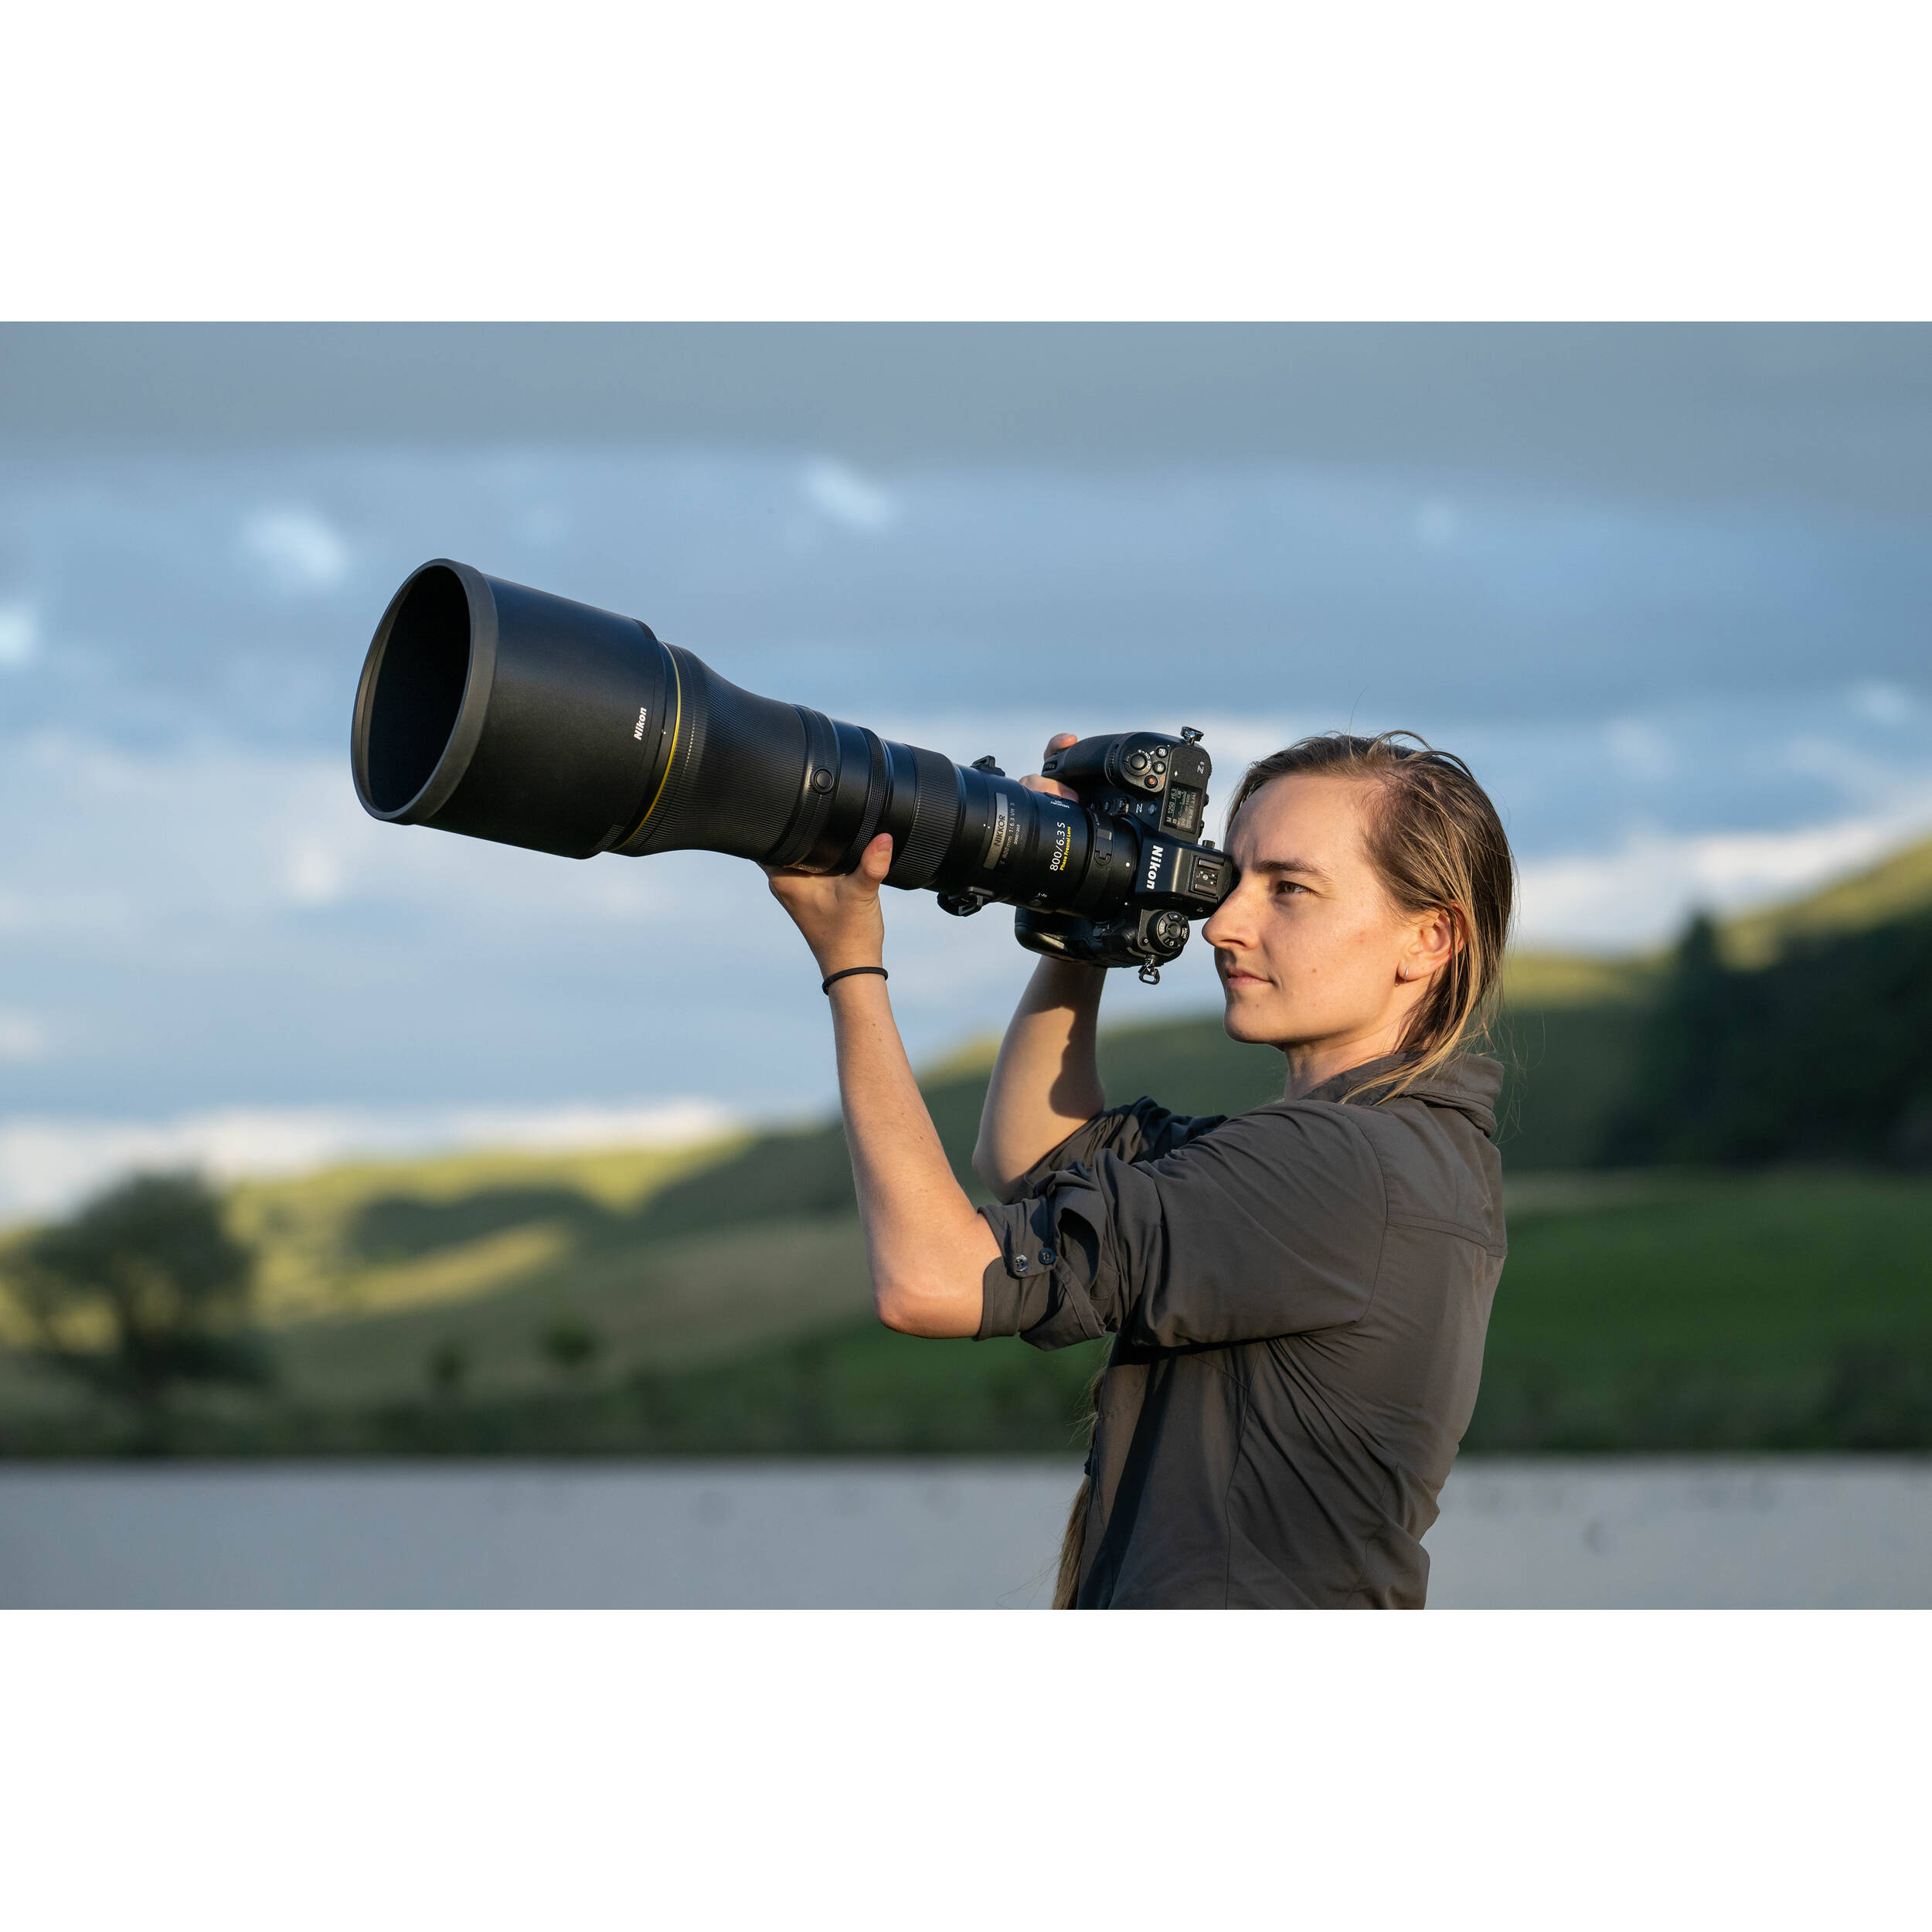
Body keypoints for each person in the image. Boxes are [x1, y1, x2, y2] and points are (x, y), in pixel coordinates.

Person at [766, 730, 1515, 1609]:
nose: (1225, 924)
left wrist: (851, 963)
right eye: (1231, 880)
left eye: (1289, 889)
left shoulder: (1339, 1170)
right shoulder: (1396, 1155)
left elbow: (928, 1280)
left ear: (1428, 937)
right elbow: (1032, 1156)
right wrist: (1080, 908)